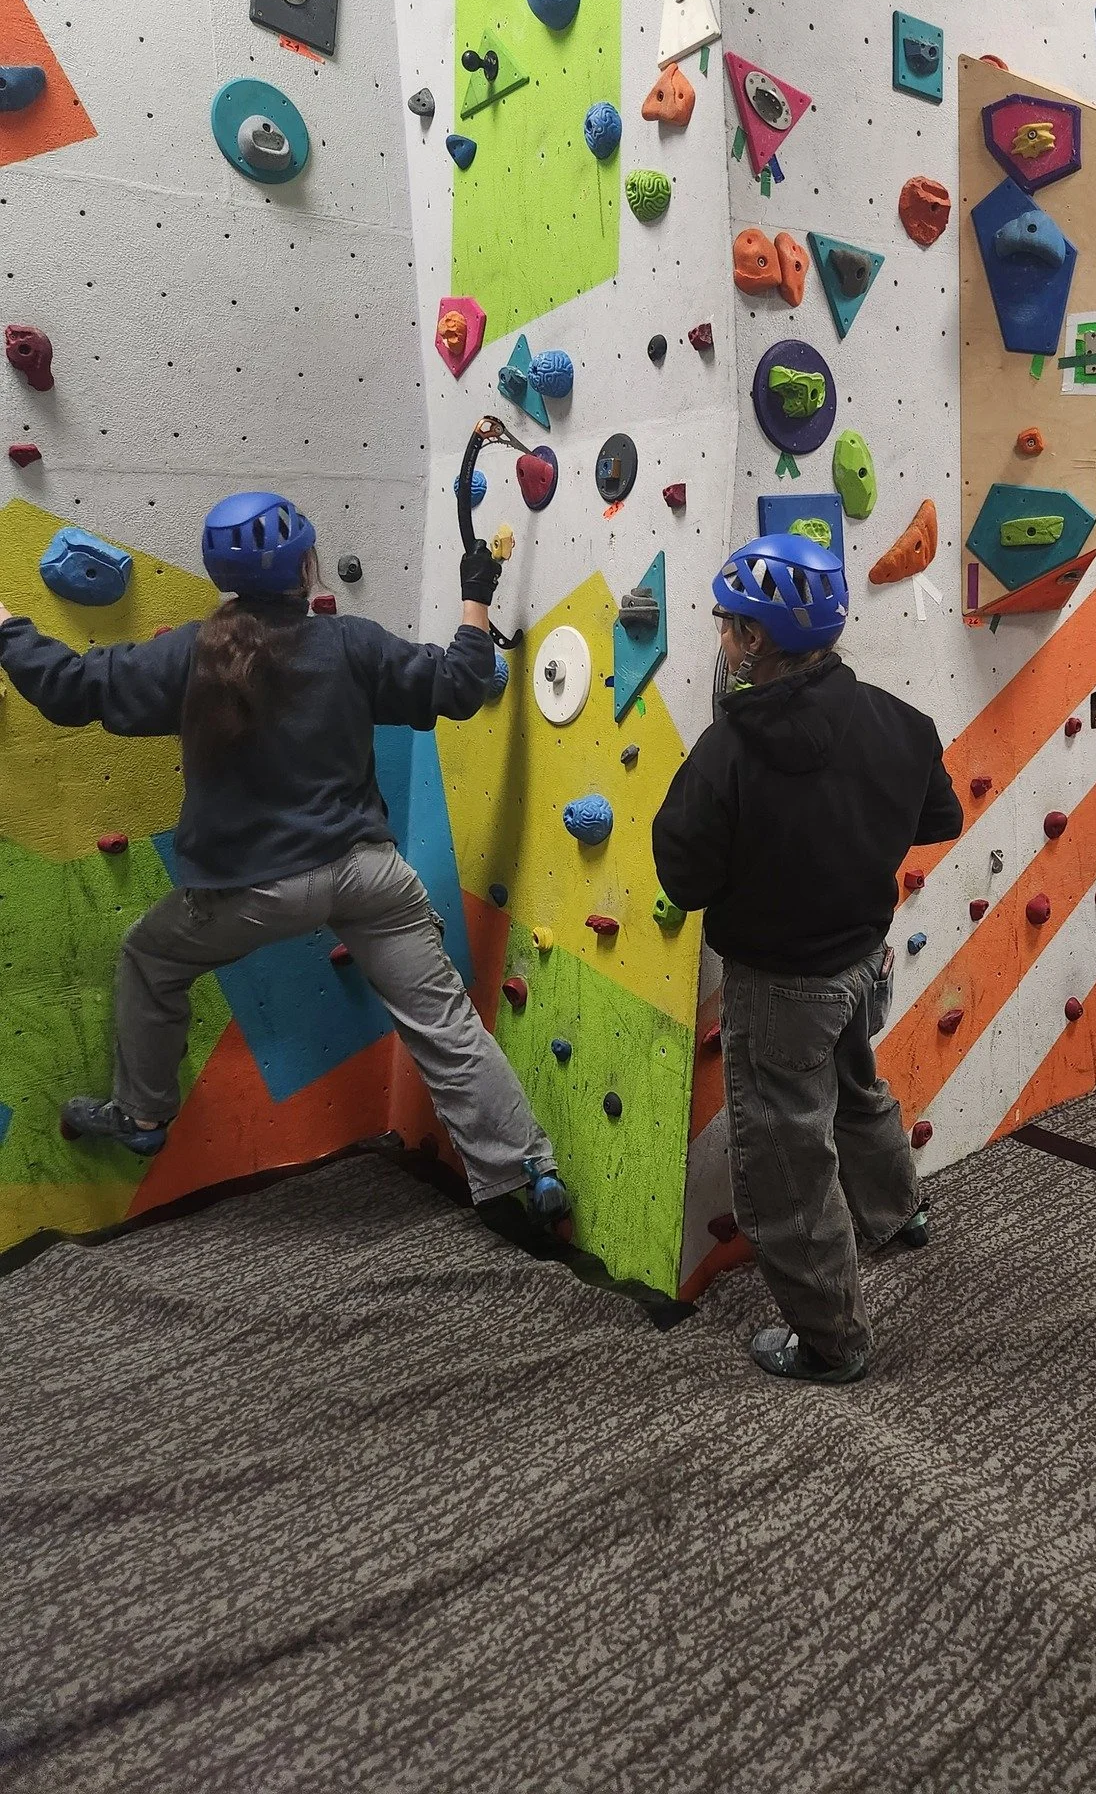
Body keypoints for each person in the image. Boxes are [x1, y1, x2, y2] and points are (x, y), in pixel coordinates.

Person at [0, 489, 569, 1239]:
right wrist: (475, 596)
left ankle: (141, 1115)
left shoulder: (192, 655)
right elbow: (461, 687)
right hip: (368, 876)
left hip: (251, 893)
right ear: (306, 566)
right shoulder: (351, 643)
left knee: (151, 957)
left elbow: (72, 691)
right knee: (444, 1022)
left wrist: (9, 629)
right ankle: (528, 1169)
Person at [653, 532, 963, 1386]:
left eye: (727, 626)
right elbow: (939, 819)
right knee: (857, 1092)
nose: (722, 640)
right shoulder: (900, 722)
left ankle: (832, 1341)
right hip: (861, 962)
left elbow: (683, 878)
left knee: (787, 1160)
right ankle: (898, 1214)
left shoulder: (727, 753)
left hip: (782, 986)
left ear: (755, 638)